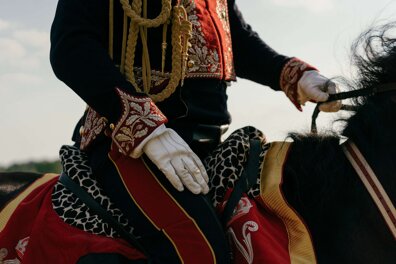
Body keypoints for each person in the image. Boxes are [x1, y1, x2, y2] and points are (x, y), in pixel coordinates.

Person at [50, 0, 340, 263]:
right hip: (127, 141)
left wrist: (295, 74)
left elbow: (234, 38)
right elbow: (71, 47)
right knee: (199, 252)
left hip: (212, 140)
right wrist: (147, 127)